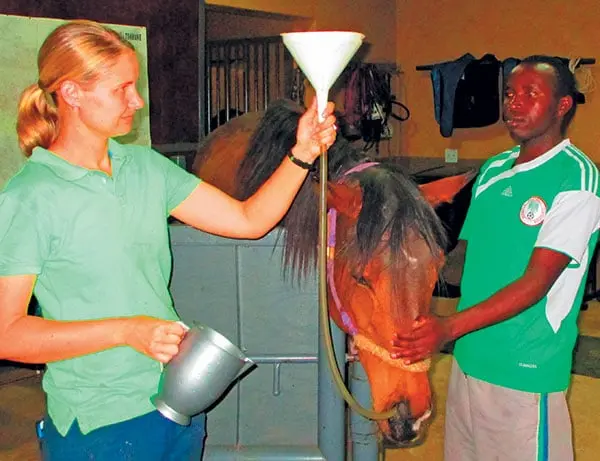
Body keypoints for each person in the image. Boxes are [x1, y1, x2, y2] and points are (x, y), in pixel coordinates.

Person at [0, 19, 336, 461]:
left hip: (176, 398)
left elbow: (248, 219)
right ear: (71, 93)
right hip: (99, 421)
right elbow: (8, 334)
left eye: (135, 86)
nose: (136, 101)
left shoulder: (145, 168)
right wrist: (126, 331)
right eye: (121, 89)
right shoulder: (30, 197)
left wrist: (302, 153)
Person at [391, 55, 600, 461]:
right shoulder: (494, 169)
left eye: (530, 94)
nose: (514, 104)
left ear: (562, 105)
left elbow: (536, 283)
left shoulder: (576, 178)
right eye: (509, 94)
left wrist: (447, 328)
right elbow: (467, 260)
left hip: (523, 370)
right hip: (469, 360)